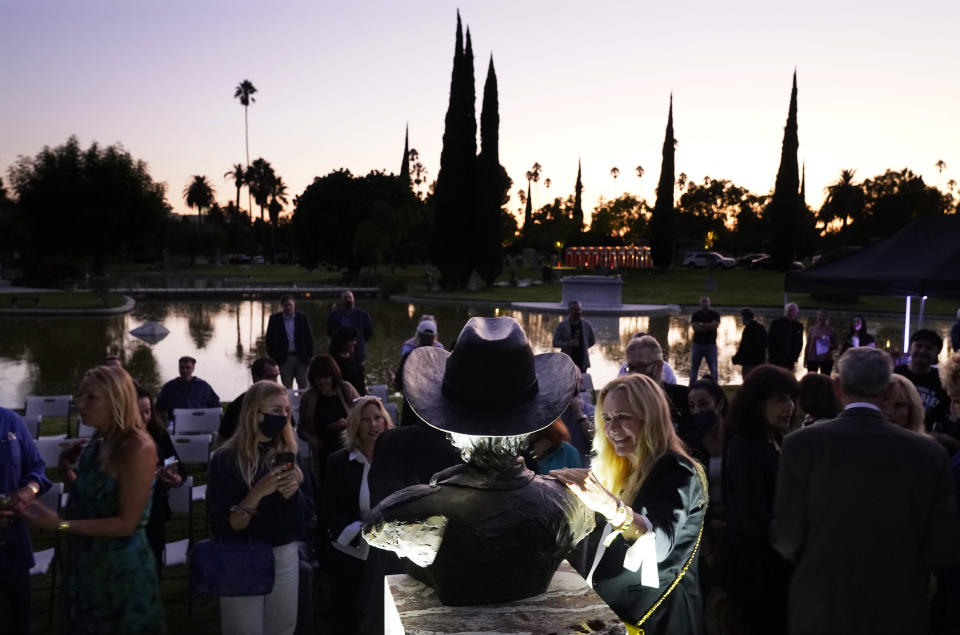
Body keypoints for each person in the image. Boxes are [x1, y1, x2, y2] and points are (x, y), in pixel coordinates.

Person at [364, 317, 594, 606]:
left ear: (452, 425)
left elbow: (375, 529)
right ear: (528, 423)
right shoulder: (572, 504)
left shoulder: (406, 512)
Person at [771, 347, 960, 635]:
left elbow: (786, 534)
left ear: (837, 387)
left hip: (822, 602)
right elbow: (942, 545)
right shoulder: (929, 453)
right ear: (886, 392)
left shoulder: (801, 445)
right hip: (898, 605)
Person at [552, 373, 708, 634]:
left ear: (651, 418)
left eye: (623, 417)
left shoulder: (677, 470)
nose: (612, 429)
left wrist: (613, 508)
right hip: (623, 618)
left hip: (661, 621)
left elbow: (659, 544)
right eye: (607, 419)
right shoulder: (625, 471)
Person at [19, 365, 164, 634]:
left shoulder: (136, 447)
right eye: (79, 395)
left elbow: (126, 523)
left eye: (91, 397)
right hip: (85, 564)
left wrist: (61, 525)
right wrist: (67, 473)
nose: (80, 404)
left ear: (116, 399)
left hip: (119, 572)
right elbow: (97, 500)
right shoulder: (96, 443)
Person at [207, 380, 311, 635]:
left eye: (286, 410)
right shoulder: (225, 460)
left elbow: (305, 518)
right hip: (241, 555)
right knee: (243, 629)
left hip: (284, 554)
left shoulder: (290, 455)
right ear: (254, 412)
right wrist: (257, 493)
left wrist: (293, 493)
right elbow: (223, 525)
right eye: (276, 410)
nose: (284, 417)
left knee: (283, 627)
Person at [721, 364, 799, 635]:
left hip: (776, 566)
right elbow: (755, 519)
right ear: (757, 404)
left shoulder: (775, 440)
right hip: (758, 572)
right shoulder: (747, 448)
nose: (789, 406)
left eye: (791, 398)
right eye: (780, 399)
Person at [321, 396, 393, 630]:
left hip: (392, 549)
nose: (373, 425)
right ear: (355, 426)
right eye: (365, 420)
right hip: (352, 549)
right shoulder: (338, 462)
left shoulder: (397, 458)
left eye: (377, 418)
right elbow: (328, 509)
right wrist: (360, 535)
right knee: (352, 614)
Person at [0, 407, 52, 635]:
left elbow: (36, 467)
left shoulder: (10, 420)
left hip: (13, 544)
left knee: (19, 622)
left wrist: (30, 489)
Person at [136, 385, 186, 577]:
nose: (144, 418)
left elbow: (175, 462)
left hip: (154, 512)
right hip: (124, 512)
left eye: (147, 412)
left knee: (152, 566)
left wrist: (174, 476)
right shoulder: (111, 440)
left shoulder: (157, 433)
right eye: (137, 413)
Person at [297, 354, 360, 482]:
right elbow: (301, 429)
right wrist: (312, 440)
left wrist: (348, 423)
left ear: (333, 375)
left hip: (349, 448)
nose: (322, 382)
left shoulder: (346, 389)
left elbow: (364, 414)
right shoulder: (308, 397)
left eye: (326, 377)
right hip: (323, 453)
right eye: (318, 378)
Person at [624, 335, 692, 432]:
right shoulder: (622, 402)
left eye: (641, 366)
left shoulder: (683, 398)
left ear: (659, 366)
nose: (634, 374)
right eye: (631, 368)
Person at [895, 329, 950, 431]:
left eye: (929, 348)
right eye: (918, 346)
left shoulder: (943, 380)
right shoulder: (895, 374)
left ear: (937, 352)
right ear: (911, 347)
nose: (922, 351)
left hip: (929, 437)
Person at [220, 358, 281, 441]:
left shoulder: (281, 404)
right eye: (270, 377)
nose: (275, 381)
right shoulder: (237, 406)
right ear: (256, 378)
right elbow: (223, 438)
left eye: (276, 376)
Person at [394, 319, 439, 426]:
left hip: (410, 414)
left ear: (418, 336)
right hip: (433, 415)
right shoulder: (440, 359)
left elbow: (397, 385)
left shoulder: (408, 356)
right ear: (434, 338)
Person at [265, 295, 315, 390]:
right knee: (287, 387)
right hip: (284, 359)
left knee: (304, 385)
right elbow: (269, 339)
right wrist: (272, 357)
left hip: (301, 358)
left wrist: (310, 356)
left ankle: (304, 404)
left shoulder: (302, 318)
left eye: (290, 305)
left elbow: (309, 338)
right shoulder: (275, 319)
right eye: (286, 305)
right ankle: (289, 404)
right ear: (282, 306)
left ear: (294, 305)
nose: (288, 307)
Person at [154, 355, 220, 423]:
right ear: (178, 368)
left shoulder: (203, 386)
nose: (185, 370)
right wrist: (165, 424)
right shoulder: (168, 387)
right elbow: (158, 409)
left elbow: (216, 406)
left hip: (199, 426)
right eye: (182, 367)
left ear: (193, 369)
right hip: (176, 427)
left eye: (188, 368)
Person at [326, 290, 374, 365]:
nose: (348, 300)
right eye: (345, 298)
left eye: (350, 297)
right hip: (338, 353)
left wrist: (358, 341)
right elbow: (329, 332)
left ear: (353, 299)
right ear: (341, 300)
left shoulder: (363, 315)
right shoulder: (333, 315)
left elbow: (369, 332)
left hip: (358, 353)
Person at [553, 300, 596, 373]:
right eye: (575, 310)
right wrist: (568, 344)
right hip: (567, 362)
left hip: (582, 362)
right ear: (569, 311)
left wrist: (584, 346)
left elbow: (592, 341)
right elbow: (555, 343)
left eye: (579, 310)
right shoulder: (562, 325)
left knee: (582, 382)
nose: (578, 312)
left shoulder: (587, 325)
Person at [690, 296, 721, 385]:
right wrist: (709, 326)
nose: (705, 303)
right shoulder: (695, 315)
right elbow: (696, 328)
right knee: (694, 370)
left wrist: (702, 324)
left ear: (709, 303)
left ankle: (715, 387)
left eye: (706, 302)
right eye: (703, 302)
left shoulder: (715, 314)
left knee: (713, 369)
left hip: (711, 345)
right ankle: (691, 387)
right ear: (700, 304)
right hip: (697, 345)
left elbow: (715, 325)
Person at [330, 326, 366, 396]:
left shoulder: (355, 360)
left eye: (355, 340)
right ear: (342, 341)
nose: (354, 343)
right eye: (351, 340)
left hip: (360, 397)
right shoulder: (334, 362)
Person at [767, 303, 804, 370]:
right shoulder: (776, 323)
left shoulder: (799, 326)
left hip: (790, 359)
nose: (791, 313)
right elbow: (770, 341)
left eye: (793, 311)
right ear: (785, 311)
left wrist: (796, 356)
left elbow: (799, 343)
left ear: (796, 313)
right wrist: (772, 355)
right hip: (776, 359)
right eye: (789, 310)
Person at [732, 307, 766, 379]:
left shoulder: (748, 329)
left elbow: (743, 346)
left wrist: (735, 359)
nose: (741, 320)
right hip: (760, 361)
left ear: (745, 318)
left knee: (748, 382)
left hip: (749, 363)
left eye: (741, 318)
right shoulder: (761, 327)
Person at [803, 309, 838, 375]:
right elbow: (808, 345)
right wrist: (805, 359)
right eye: (819, 315)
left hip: (826, 360)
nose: (821, 317)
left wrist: (828, 345)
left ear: (827, 317)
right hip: (812, 359)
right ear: (817, 317)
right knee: (812, 379)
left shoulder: (832, 330)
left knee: (825, 380)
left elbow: (836, 346)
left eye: (823, 316)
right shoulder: (812, 329)